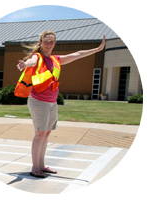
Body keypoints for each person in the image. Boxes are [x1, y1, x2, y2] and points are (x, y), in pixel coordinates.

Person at [16, 30, 106, 178]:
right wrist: (25, 64)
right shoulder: (37, 57)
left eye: (52, 41)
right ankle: (35, 167)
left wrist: (97, 49)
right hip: (39, 101)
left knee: (46, 134)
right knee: (39, 134)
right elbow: (32, 61)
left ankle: (41, 165)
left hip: (52, 102)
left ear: (55, 43)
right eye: (46, 41)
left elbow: (76, 55)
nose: (49, 44)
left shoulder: (56, 59)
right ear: (41, 42)